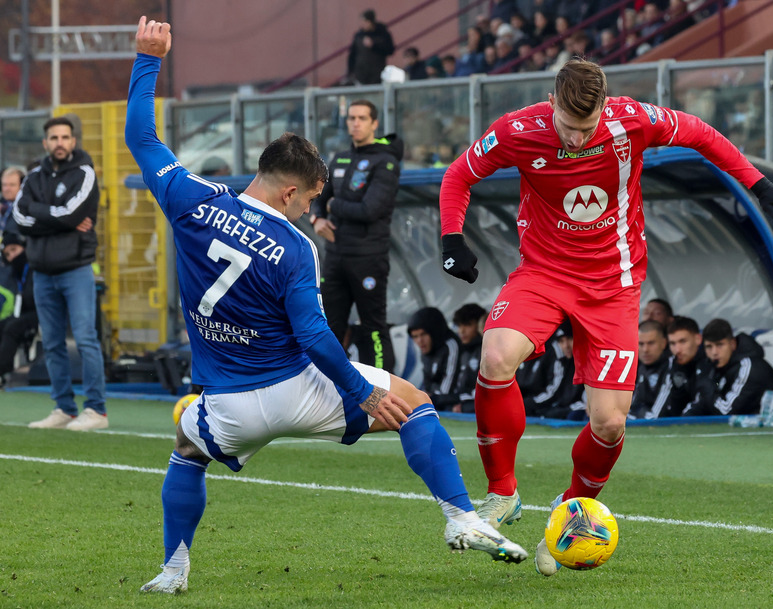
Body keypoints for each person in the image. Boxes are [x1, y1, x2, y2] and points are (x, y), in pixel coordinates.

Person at [126, 18, 526, 594]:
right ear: (292, 191)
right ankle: (462, 517)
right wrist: (364, 393)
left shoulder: (188, 198)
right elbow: (315, 337)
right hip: (297, 390)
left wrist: (149, 58)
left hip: (229, 405)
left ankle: (172, 571)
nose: (310, 207)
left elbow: (141, 135)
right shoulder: (294, 248)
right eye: (312, 197)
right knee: (413, 404)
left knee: (188, 448)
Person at [437, 58, 773, 576]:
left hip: (615, 284)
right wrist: (453, 236)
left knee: (609, 423)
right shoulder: (519, 130)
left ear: (605, 108)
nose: (578, 137)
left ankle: (568, 516)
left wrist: (760, 184)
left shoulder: (632, 120)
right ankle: (502, 492)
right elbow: (459, 175)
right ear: (552, 103)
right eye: (568, 125)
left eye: (587, 129)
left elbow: (702, 135)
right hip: (542, 273)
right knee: (496, 355)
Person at [13, 116, 108, 431]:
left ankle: (96, 411)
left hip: (76, 270)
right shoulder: (32, 177)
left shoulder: (85, 173)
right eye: (54, 138)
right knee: (51, 342)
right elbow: (19, 217)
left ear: (73, 140)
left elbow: (71, 215)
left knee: (85, 339)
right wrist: (57, 218)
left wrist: (40, 213)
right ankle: (64, 408)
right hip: (42, 273)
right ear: (45, 143)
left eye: (65, 137)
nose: (60, 143)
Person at [309, 100, 401, 373]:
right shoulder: (340, 158)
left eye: (362, 118)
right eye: (351, 118)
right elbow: (317, 198)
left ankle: (385, 388)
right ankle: (329, 390)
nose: (355, 123)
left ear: (374, 123)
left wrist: (333, 207)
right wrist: (316, 218)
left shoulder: (386, 162)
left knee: (373, 327)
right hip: (335, 257)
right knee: (328, 326)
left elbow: (369, 210)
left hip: (368, 259)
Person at [685, 318, 773, 416]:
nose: (714, 352)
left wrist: (707, 387)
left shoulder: (749, 367)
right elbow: (701, 403)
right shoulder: (713, 366)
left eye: (720, 345)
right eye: (709, 347)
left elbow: (727, 412)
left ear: (732, 344)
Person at [0, 231, 38, 383]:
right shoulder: (14, 273)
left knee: (12, 327)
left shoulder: (35, 266)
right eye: (8, 254)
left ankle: (2, 370)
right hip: (23, 313)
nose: (12, 256)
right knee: (5, 325)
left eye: (14, 250)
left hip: (42, 312)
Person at [407, 307, 461, 411]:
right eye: (415, 336)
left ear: (433, 332)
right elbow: (428, 385)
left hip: (453, 406)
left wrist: (429, 396)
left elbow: (447, 391)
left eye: (423, 334)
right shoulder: (426, 350)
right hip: (436, 402)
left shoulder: (451, 345)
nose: (420, 340)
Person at [629, 320, 670, 419]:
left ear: (664, 343)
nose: (645, 349)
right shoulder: (635, 366)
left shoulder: (672, 367)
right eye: (641, 344)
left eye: (651, 343)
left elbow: (656, 417)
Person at [452, 303, 486, 413]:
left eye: (467, 325)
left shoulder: (487, 350)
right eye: (459, 326)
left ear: (480, 325)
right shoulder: (463, 351)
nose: (461, 331)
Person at [347, 9, 395, 85]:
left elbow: (390, 50)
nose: (363, 24)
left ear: (371, 22)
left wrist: (374, 45)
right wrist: (350, 72)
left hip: (377, 75)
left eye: (365, 22)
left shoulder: (382, 33)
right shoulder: (359, 36)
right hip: (360, 74)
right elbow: (352, 54)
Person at [1, 167, 25, 234]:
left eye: (12, 185)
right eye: (4, 185)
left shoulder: (24, 209)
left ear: (22, 186)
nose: (7, 189)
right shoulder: (4, 205)